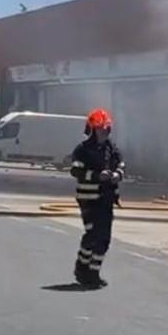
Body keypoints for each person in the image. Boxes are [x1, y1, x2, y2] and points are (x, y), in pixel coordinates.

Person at [69, 108, 124, 288]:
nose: (103, 133)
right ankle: (82, 267)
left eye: (105, 130)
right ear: (91, 130)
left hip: (106, 199)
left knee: (104, 238)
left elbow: (121, 164)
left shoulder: (111, 149)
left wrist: (117, 174)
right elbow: (76, 170)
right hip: (88, 198)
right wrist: (97, 176)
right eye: (99, 130)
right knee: (92, 234)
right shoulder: (82, 150)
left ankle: (93, 272)